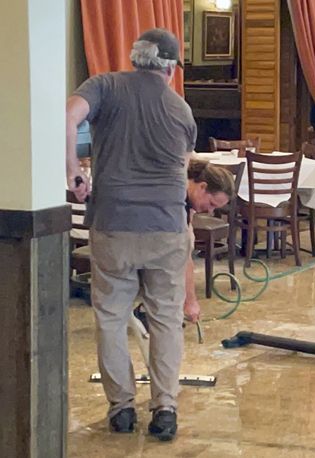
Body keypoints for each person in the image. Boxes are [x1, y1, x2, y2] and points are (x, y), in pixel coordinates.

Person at [66, 28, 196, 441]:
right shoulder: (181, 110)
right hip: (165, 227)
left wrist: (73, 170)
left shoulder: (104, 85)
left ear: (134, 57)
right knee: (165, 320)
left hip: (113, 223)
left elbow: (68, 116)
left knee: (111, 318)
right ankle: (165, 409)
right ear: (172, 69)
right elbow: (183, 168)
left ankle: (121, 409)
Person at [183, 160, 234, 322]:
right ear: (202, 187)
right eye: (211, 204)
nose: (210, 211)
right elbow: (183, 258)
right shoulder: (176, 199)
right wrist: (190, 301)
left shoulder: (186, 193)